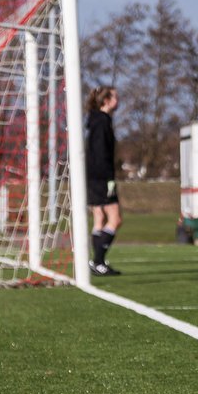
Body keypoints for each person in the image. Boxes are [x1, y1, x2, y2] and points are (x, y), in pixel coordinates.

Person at [85, 85, 122, 276]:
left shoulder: (96, 121)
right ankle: (98, 262)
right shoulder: (101, 122)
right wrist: (108, 178)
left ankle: (96, 262)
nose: (118, 100)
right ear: (106, 101)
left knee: (99, 218)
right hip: (100, 177)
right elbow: (100, 154)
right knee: (115, 219)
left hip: (93, 176)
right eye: (115, 97)